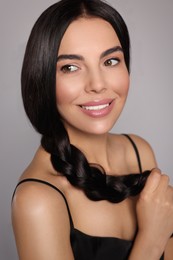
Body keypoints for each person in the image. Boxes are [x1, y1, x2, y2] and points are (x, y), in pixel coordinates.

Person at [11, 0, 173, 259]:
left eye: (110, 61)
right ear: (42, 79)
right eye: (70, 67)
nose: (97, 85)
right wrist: (152, 240)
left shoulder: (139, 151)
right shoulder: (37, 200)